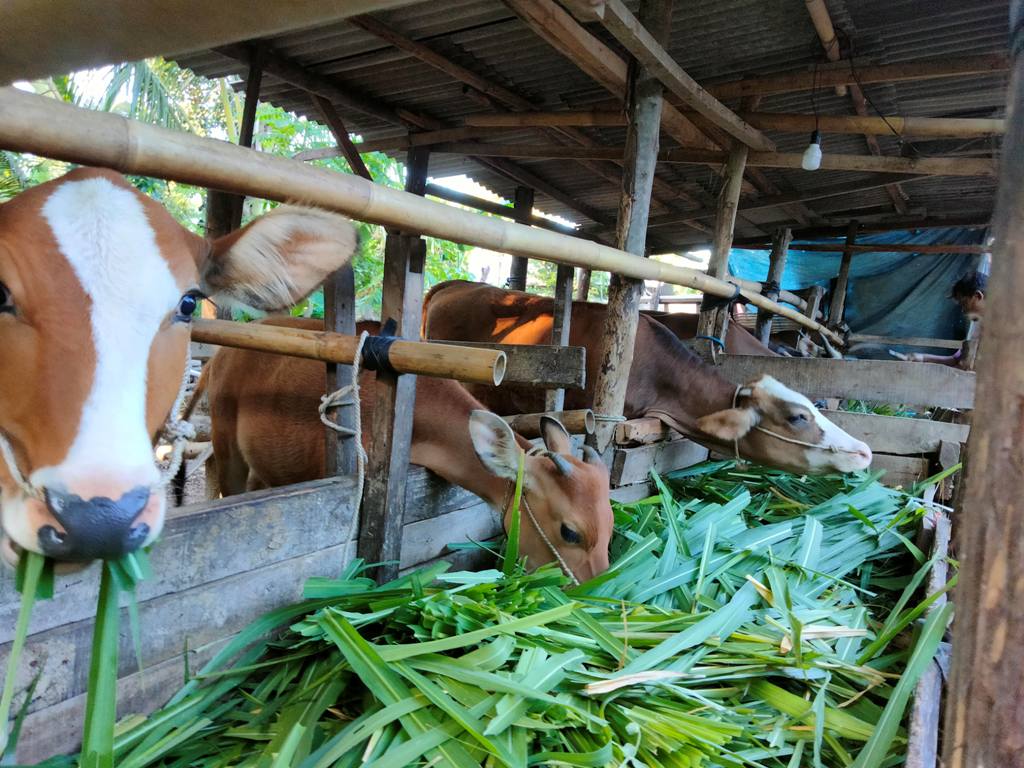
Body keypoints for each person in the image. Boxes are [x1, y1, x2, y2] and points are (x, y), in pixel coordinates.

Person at [890, 271, 985, 368]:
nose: (964, 311)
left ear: (977, 296)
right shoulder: (979, 328)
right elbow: (955, 360)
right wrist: (921, 358)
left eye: (964, 304)